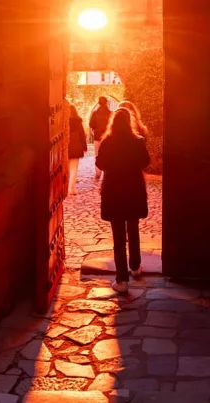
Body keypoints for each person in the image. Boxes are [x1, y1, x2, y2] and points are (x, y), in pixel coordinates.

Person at [95, 108, 150, 293]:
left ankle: (122, 280)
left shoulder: (107, 142)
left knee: (118, 237)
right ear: (129, 122)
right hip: (133, 190)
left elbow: (100, 164)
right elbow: (145, 162)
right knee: (133, 230)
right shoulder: (137, 141)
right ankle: (135, 267)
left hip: (114, 191)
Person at [88, 96, 112, 180]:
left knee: (97, 154)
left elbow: (91, 124)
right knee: (108, 154)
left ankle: (98, 172)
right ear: (106, 103)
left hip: (97, 136)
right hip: (107, 137)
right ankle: (107, 172)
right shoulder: (110, 113)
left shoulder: (95, 113)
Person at [66, 102, 87, 194]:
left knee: (66, 168)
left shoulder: (64, 122)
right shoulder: (78, 122)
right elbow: (82, 135)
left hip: (66, 148)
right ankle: (71, 189)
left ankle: (65, 187)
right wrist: (84, 146)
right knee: (74, 168)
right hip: (76, 147)